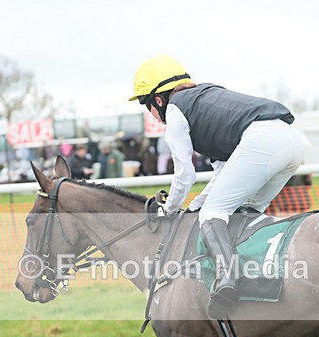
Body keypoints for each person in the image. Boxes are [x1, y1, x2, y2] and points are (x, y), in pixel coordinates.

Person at [129, 54, 304, 319]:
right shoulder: (207, 99)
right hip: (292, 141)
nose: (151, 115)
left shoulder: (175, 111)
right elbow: (224, 174)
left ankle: (227, 278)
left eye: (147, 106)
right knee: (245, 212)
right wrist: (195, 205)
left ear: (158, 100)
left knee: (213, 214)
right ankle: (262, 276)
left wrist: (168, 209)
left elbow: (184, 174)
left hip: (263, 140)